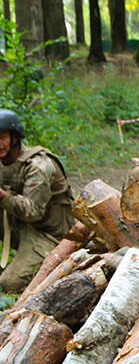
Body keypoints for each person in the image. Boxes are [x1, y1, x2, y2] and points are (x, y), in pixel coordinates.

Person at [0, 109, 73, 293]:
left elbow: (33, 212)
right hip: (18, 227)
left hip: (47, 234)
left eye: (2, 137)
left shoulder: (38, 166)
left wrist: (2, 195)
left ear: (15, 138)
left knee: (9, 284)